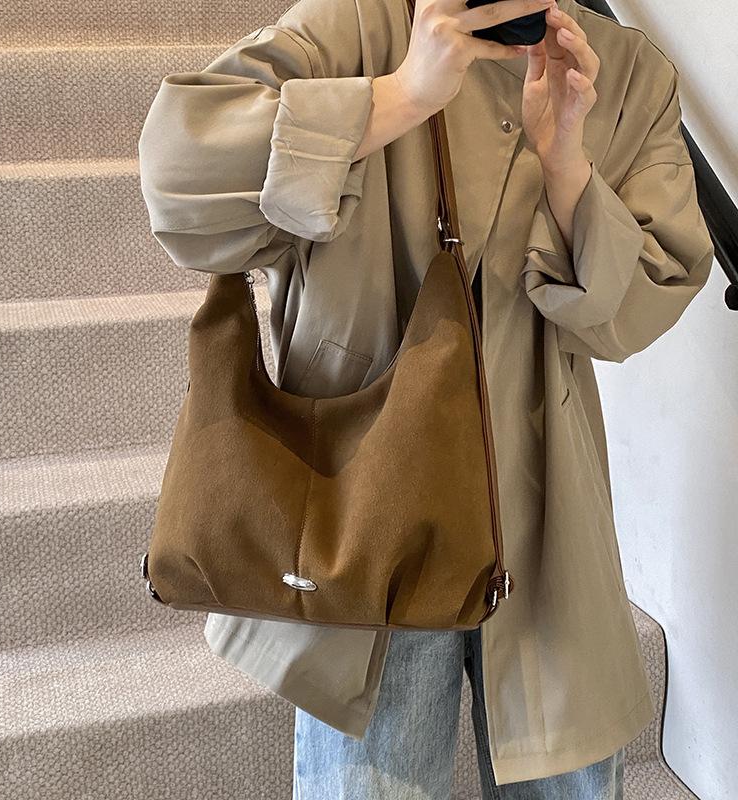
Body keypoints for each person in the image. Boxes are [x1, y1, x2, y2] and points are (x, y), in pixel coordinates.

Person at [137, 0, 714, 796]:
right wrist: (401, 94)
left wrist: (567, 168)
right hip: (360, 513)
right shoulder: (362, 25)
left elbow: (645, 297)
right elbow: (177, 171)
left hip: (545, 520)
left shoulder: (625, 75)